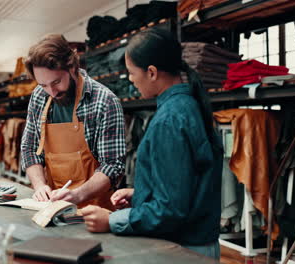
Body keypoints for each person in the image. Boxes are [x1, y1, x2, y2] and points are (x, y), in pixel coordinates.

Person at [80, 28, 223, 260]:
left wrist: (111, 220)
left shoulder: (169, 120)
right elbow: (187, 185)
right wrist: (142, 194)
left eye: (131, 72)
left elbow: (170, 211)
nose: (131, 80)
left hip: (182, 251)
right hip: (198, 244)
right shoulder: (188, 106)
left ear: (152, 72)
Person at [21, 34, 126, 209]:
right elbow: (29, 149)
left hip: (96, 209)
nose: (52, 92)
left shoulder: (105, 101)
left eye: (56, 82)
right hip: (51, 207)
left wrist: (76, 195)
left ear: (72, 67)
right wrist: (40, 186)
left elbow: (113, 165)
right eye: (43, 85)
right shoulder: (39, 97)